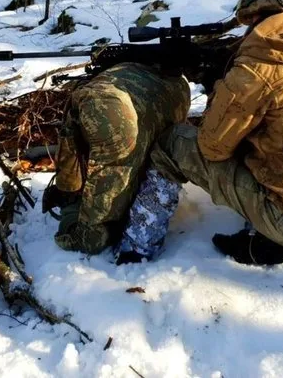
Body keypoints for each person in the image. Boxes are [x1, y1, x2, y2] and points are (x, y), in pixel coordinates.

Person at [116, 0, 283, 266]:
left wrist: (217, 87)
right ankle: (264, 239)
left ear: (255, 13)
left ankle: (136, 249)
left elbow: (212, 147)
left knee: (170, 145)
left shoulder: (261, 63)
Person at [43, 62, 191, 255]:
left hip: (111, 112)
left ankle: (77, 208)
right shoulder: (176, 82)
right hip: (142, 103)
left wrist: (80, 224)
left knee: (92, 239)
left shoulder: (103, 112)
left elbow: (103, 172)